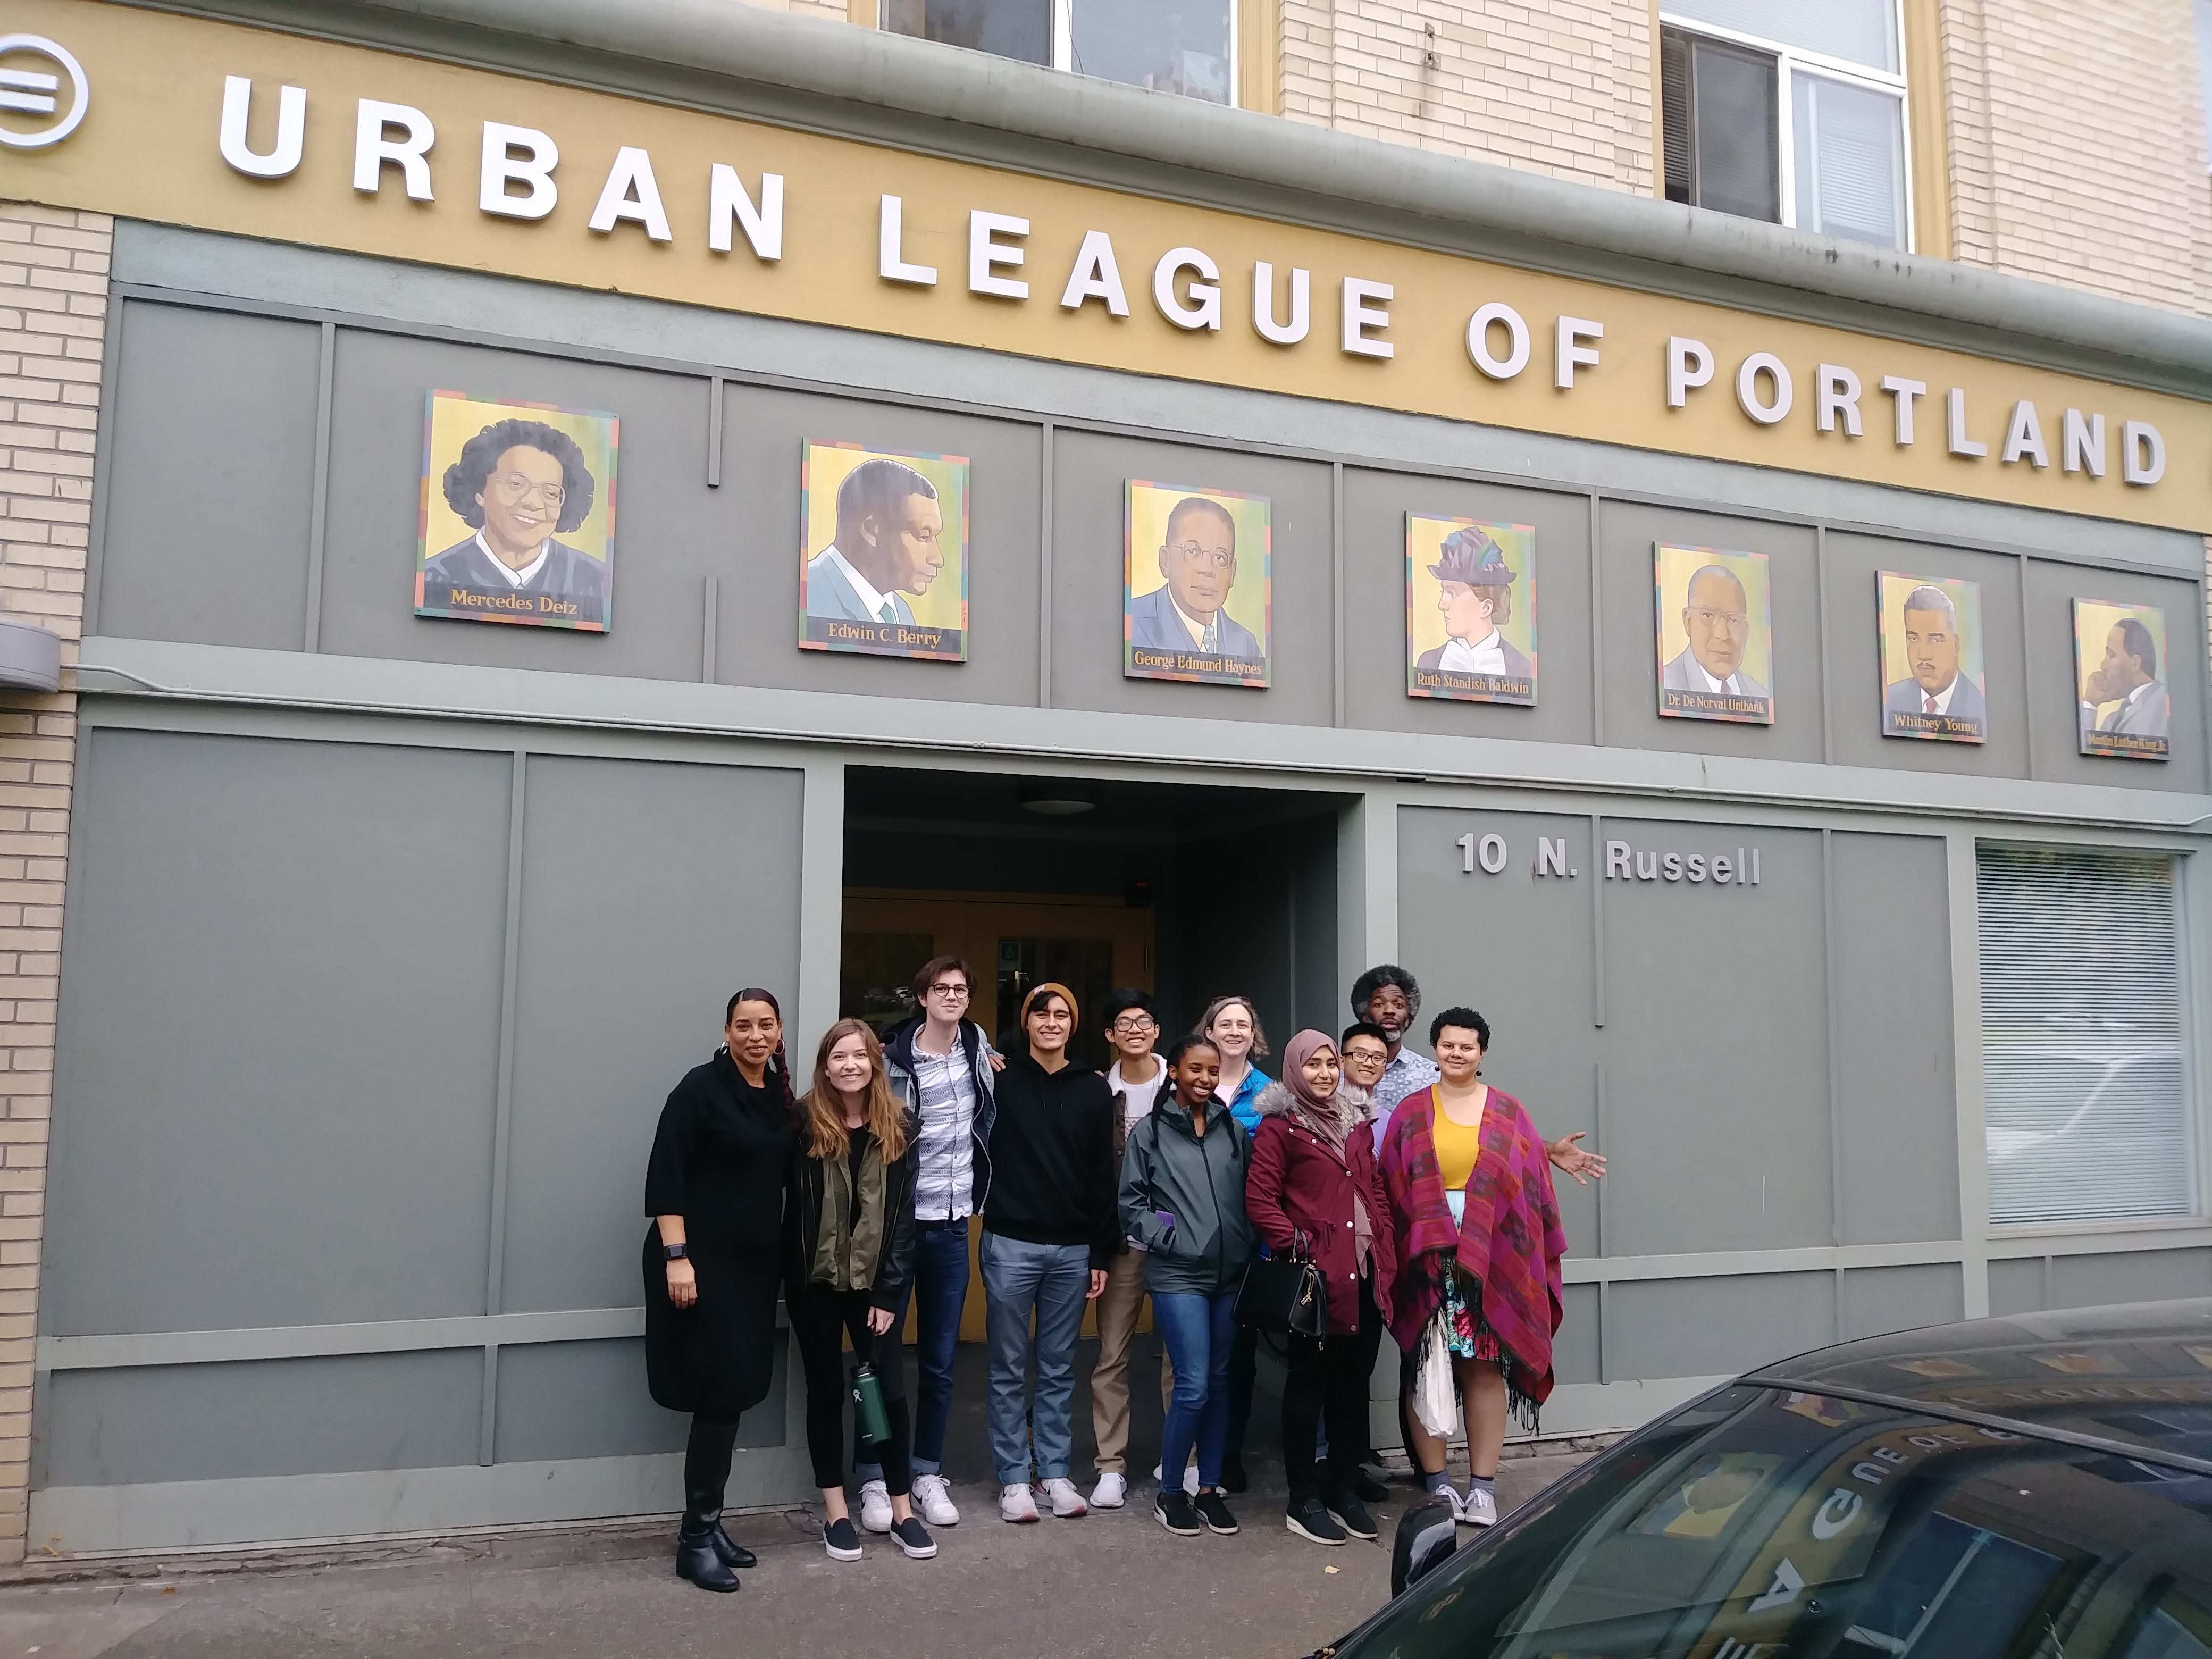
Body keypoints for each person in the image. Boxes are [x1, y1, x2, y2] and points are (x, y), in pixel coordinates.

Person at [1378, 1008, 1566, 1531]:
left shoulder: (1508, 1112)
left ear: (1481, 1053)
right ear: (1434, 1049)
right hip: (1425, 1254)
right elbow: (1391, 1185)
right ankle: (1438, 1485)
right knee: (1427, 1365)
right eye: (1446, 1044)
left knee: (1483, 1368)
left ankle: (1481, 1490)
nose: (1455, 1053)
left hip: (1491, 1259)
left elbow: (1530, 1189)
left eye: (1466, 1046)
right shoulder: (1411, 1113)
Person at [643, 988, 797, 1593]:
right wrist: (677, 1258)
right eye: (743, 1025)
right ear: (726, 1031)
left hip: (752, 1270)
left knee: (731, 1397)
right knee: (715, 1396)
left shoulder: (775, 1096)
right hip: (700, 1266)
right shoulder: (698, 1089)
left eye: (764, 1025)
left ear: (778, 1032)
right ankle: (694, 1540)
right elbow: (666, 1175)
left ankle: (710, 1523)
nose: (754, 1035)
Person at [784, 1019, 936, 1563]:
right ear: (824, 1066)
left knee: (885, 1394)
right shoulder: (801, 1122)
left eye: (859, 1056)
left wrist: (889, 1294)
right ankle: (836, 1513)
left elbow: (902, 1220)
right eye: (838, 1056)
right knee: (825, 1391)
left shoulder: (901, 1125)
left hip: (875, 1285)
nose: (850, 1065)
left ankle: (901, 1511)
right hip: (815, 1282)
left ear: (874, 1062)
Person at [860, 956, 998, 1531]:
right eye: (940, 989)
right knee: (877, 1360)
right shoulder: (892, 1062)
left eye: (960, 989)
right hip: (896, 1227)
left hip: (949, 1225)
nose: (950, 996)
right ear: (921, 997)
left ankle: (925, 1473)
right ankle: (872, 1476)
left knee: (941, 1363)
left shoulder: (977, 1050)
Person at [1246, 1031, 1398, 1546]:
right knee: (1309, 1388)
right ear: (1294, 1070)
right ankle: (1302, 1499)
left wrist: (1382, 1233)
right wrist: (1298, 1244)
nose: (1323, 1074)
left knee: (1352, 1390)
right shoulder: (1280, 1127)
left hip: (1365, 1274)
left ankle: (1341, 1488)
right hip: (1317, 1282)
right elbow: (1260, 1199)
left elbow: (1372, 1184)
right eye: (1311, 1065)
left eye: (1330, 1064)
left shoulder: (1357, 1122)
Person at [981, 983, 1117, 1523]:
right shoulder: (997, 1080)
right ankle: (1013, 1479)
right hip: (1010, 1242)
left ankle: (1054, 1473)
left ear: (1073, 1024)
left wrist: (1100, 1253)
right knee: (1007, 1367)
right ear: (1027, 1022)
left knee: (1059, 1367)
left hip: (1071, 1249)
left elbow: (1101, 1174)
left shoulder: (1093, 1089)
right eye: (1041, 1014)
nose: (1051, 1022)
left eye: (1062, 1014)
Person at [1120, 1034, 1255, 1539]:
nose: (1204, 1078)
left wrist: (1245, 1239)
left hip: (1230, 1273)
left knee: (1219, 1383)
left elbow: (1251, 1191)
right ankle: (1171, 1491)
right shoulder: (1151, 1132)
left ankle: (1209, 1489)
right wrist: (1170, 1236)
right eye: (1194, 1069)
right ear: (1173, 1072)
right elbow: (1131, 1202)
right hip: (1179, 1274)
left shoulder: (1231, 1129)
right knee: (1194, 1384)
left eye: (1212, 1070)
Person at [1355, 965, 1605, 1186]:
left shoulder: (1430, 1074)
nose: (1390, 1011)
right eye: (1380, 1004)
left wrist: (1548, 1150)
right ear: (1365, 1012)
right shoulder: (1338, 1073)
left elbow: (1487, 1128)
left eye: (1398, 1005)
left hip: (1438, 1192)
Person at [1090, 989, 1173, 1510]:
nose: (1135, 1030)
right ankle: (1109, 1465)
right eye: (1124, 1022)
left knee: (1177, 1357)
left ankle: (1181, 1458)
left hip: (1175, 1244)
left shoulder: (1182, 1084)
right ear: (1110, 1035)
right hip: (1121, 1244)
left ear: (1157, 1031)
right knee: (1110, 1356)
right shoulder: (1099, 1093)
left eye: (1144, 1021)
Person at [420, 417, 608, 626]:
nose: (533, 503)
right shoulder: (433, 579)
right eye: (516, 484)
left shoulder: (595, 581)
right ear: (479, 491)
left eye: (551, 493)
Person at [1196, 994, 1271, 1488]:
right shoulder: (1185, 1083)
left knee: (1236, 1358)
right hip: (1190, 1245)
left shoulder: (1271, 1095)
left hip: (1246, 1244)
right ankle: (1188, 1452)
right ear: (1210, 1030)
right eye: (1226, 1023)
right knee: (1190, 1358)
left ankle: (1228, 1453)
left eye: (1244, 1024)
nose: (1235, 1031)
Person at [805, 457, 945, 625]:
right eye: (923, 536)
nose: (938, 559)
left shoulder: (901, 612)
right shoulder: (806, 594)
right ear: (872, 529)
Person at [1127, 496, 1262, 661]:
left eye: (1220, 557)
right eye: (1193, 552)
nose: (1207, 569)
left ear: (1232, 572)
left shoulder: (1246, 645)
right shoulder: (1130, 623)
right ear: (1166, 561)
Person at [1415, 528, 1532, 683]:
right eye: (1443, 592)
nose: (1442, 605)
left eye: (1453, 593)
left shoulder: (1523, 669)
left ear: (1486, 608)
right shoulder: (1428, 663)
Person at [1882, 583, 1987, 738]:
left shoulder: (1978, 706)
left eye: (1936, 640)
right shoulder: (1889, 701)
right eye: (1913, 638)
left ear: (1956, 645)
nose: (1923, 654)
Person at [1661, 564, 1767, 700]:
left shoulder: (1761, 697)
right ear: (1688, 621)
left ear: (1746, 632)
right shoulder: (1666, 687)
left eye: (1733, 620)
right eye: (1708, 615)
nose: (1722, 635)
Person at [2081, 616, 2170, 740]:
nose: (2103, 665)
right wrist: (2090, 702)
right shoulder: (2112, 721)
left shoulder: (2165, 700)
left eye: (2111, 655)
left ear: (2135, 663)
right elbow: (2086, 753)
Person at [1338, 1021, 1393, 1119]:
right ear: (1342, 1062)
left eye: (1378, 1058)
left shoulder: (1387, 1120)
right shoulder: (1329, 1112)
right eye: (1360, 1055)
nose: (1369, 1063)